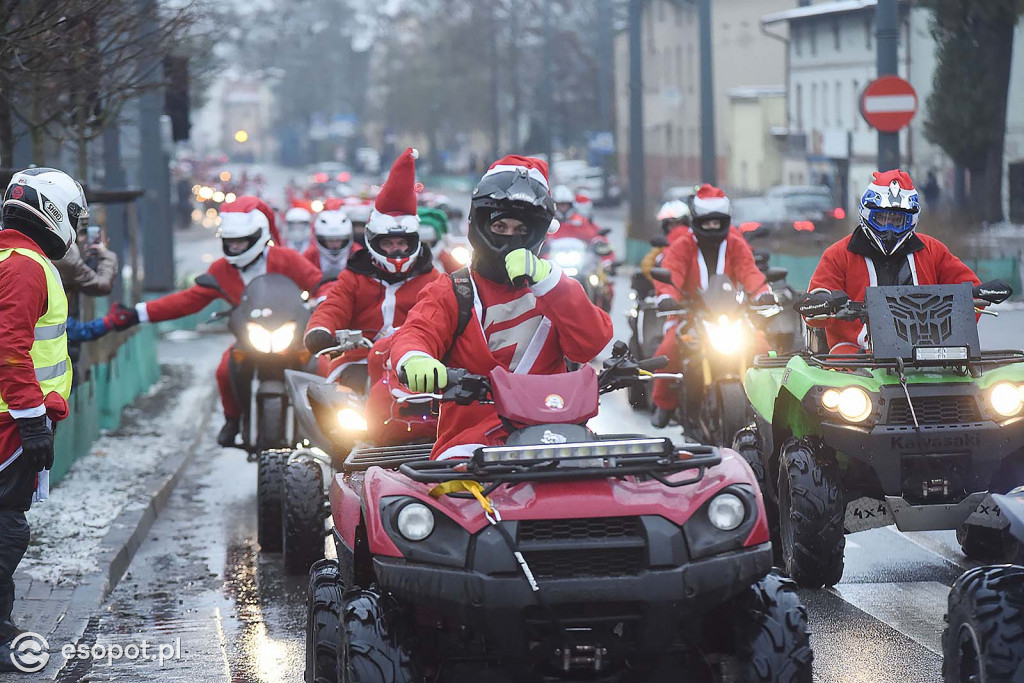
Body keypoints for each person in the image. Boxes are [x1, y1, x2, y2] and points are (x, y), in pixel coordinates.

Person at [389, 155, 614, 460]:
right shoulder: (454, 289)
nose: (510, 236)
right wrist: (415, 358)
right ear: (481, 225)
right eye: (500, 226)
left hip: (553, 437)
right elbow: (418, 330)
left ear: (536, 233)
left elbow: (590, 344)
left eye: (521, 229)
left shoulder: (554, 287)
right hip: (471, 446)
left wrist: (552, 284)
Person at [116, 196, 326, 447]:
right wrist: (138, 313)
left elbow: (320, 282)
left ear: (258, 237)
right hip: (251, 339)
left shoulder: (286, 258)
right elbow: (187, 300)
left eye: (241, 242)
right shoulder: (221, 270)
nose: (235, 248)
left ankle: (323, 424)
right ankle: (233, 420)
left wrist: (323, 300)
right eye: (231, 243)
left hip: (291, 335)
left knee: (320, 367)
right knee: (224, 370)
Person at [0, 168, 81, 671]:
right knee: (7, 528)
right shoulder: (26, 265)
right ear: (51, 211)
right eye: (73, 215)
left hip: (13, 415)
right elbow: (11, 347)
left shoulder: (10, 258)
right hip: (11, 421)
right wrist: (32, 420)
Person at [304, 149, 441, 391]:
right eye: (388, 244)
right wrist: (321, 329)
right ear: (374, 243)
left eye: (402, 243)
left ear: (414, 243)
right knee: (331, 408)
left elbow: (445, 315)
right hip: (358, 361)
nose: (396, 250)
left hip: (412, 367)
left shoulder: (432, 280)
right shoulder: (355, 276)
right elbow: (334, 306)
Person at [803, 169, 979, 354]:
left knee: (971, 375)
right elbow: (815, 304)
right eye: (881, 218)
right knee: (838, 364)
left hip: (926, 352)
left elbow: (971, 290)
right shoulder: (838, 254)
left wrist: (975, 298)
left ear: (911, 220)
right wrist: (824, 304)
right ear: (867, 213)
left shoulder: (932, 250)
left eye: (897, 221)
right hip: (854, 355)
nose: (889, 229)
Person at [650, 184, 773, 429]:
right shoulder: (682, 245)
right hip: (689, 312)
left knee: (764, 348)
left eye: (718, 222)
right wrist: (667, 296)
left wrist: (762, 293)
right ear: (696, 221)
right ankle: (664, 404)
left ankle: (772, 405)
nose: (713, 228)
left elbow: (749, 271)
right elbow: (671, 273)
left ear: (726, 221)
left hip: (731, 314)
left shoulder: (736, 244)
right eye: (707, 223)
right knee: (668, 349)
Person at [302, 209, 353, 282]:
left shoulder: (357, 254)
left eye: (339, 240)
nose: (335, 244)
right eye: (330, 240)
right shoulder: (310, 255)